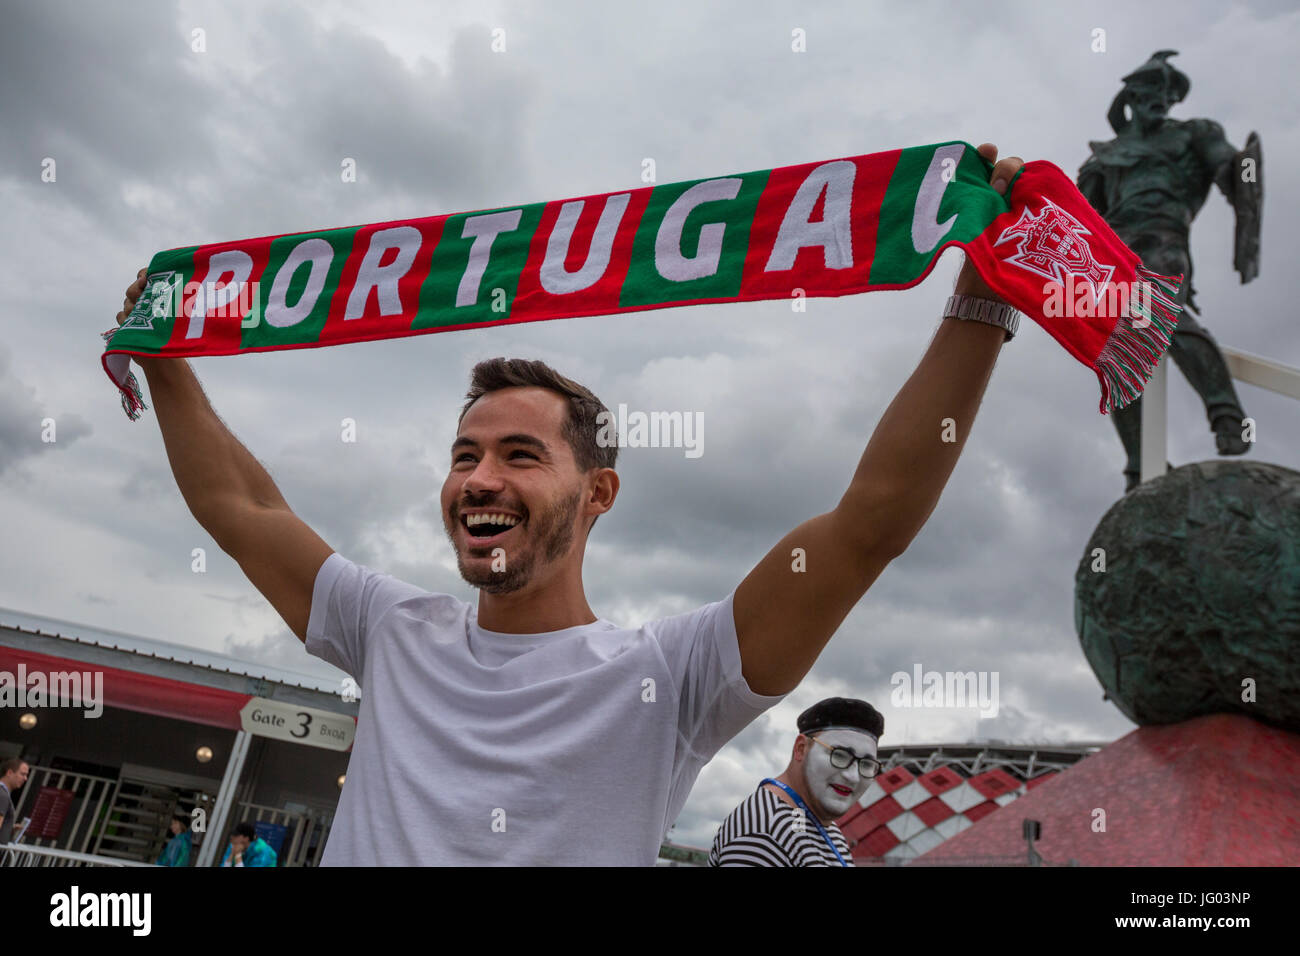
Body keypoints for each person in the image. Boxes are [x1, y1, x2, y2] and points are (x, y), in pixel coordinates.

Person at [113, 145, 1023, 865]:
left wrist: (982, 301)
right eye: (465, 455)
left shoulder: (674, 675)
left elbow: (870, 525)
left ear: (599, 494)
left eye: (520, 455)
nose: (479, 479)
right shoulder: (388, 628)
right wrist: (164, 358)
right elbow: (240, 505)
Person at [710, 697, 883, 866]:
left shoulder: (827, 829)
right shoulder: (765, 832)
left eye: (866, 764)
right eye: (839, 755)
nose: (853, 776)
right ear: (801, 749)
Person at [0, 758, 30, 847]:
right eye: (22, 774)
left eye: (26, 775)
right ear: (9, 773)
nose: (25, 778)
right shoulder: (3, 796)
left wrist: (10, 828)